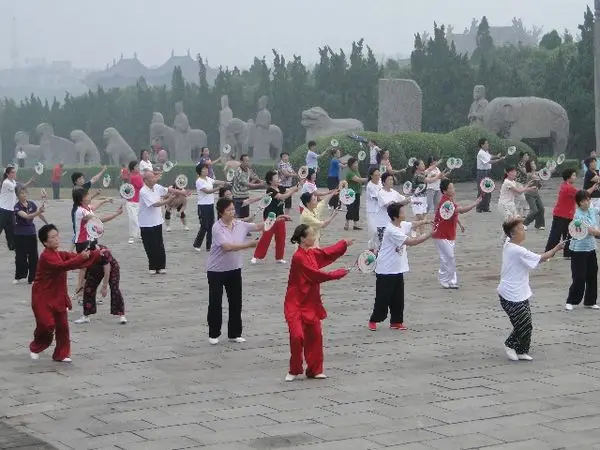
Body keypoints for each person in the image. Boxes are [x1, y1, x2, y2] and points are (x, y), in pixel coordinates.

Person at [206, 198, 287, 345]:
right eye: (228, 210)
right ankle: (214, 333)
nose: (232, 212)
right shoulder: (217, 228)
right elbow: (227, 247)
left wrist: (276, 220)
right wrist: (249, 245)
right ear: (220, 212)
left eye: (232, 209)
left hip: (235, 269)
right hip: (216, 271)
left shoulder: (239, 224)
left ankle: (234, 333)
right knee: (215, 302)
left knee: (236, 302)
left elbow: (257, 226)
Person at [284, 224, 351, 381]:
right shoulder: (298, 257)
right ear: (302, 238)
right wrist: (337, 274)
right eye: (311, 236)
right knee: (297, 336)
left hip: (311, 301)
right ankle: (294, 369)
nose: (314, 238)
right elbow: (314, 275)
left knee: (315, 336)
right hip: (295, 302)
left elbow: (327, 253)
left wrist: (344, 244)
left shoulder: (312, 253)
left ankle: (315, 369)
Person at [29, 224, 102, 362]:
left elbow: (75, 258)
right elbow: (64, 266)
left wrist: (95, 253)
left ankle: (61, 354)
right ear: (45, 242)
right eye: (52, 237)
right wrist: (82, 257)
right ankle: (37, 345)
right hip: (42, 297)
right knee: (46, 324)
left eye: (57, 235)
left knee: (63, 327)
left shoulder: (59, 254)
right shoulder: (46, 257)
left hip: (58, 295)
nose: (57, 239)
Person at [498, 218, 564, 361]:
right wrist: (556, 248)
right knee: (523, 323)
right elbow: (540, 258)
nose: (524, 231)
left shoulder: (508, 244)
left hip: (521, 292)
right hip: (509, 294)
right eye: (521, 229)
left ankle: (521, 350)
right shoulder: (516, 250)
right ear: (513, 234)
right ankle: (509, 344)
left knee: (527, 324)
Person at [369, 202, 432, 331]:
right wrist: (429, 234)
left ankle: (396, 321)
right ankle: (374, 320)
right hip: (386, 269)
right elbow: (412, 242)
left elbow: (412, 224)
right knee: (383, 298)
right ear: (395, 216)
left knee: (398, 297)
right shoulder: (392, 230)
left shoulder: (401, 224)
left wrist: (426, 221)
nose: (405, 213)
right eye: (402, 212)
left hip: (397, 268)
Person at [432, 179, 480, 289]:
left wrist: (460, 224)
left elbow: (453, 214)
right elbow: (460, 210)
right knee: (449, 257)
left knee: (447, 257)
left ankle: (450, 280)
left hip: (449, 233)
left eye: (453, 187)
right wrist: (474, 204)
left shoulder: (450, 200)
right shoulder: (445, 202)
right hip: (440, 233)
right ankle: (447, 280)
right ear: (444, 191)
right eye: (451, 188)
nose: (453, 189)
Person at [138, 171, 187, 274]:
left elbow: (168, 190)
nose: (154, 179)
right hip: (146, 223)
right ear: (146, 180)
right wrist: (169, 200)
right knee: (150, 246)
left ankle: (161, 266)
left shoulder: (156, 187)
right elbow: (155, 204)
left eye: (154, 177)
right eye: (151, 178)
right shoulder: (143, 191)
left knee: (159, 244)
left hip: (157, 221)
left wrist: (181, 192)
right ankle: (152, 267)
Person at [545, 168, 597, 259]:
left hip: (567, 215)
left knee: (569, 234)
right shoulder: (568, 188)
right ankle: (548, 253)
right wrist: (594, 187)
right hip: (561, 215)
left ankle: (567, 253)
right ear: (568, 177)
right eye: (573, 175)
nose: (575, 177)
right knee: (556, 235)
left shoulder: (565, 185)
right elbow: (583, 195)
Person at [74, 244, 127, 325]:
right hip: (95, 268)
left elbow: (107, 271)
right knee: (88, 288)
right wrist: (80, 285)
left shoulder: (103, 253)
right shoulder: (84, 255)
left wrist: (104, 286)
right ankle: (86, 316)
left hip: (111, 267)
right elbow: (83, 269)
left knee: (115, 289)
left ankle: (121, 314)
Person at [565, 190, 600, 311]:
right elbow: (590, 231)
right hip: (578, 250)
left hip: (590, 248)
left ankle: (590, 301)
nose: (587, 202)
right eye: (584, 200)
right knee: (579, 277)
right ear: (579, 203)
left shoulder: (591, 210)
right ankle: (571, 300)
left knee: (592, 274)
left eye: (588, 199)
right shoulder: (578, 215)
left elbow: (597, 212)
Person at [251, 170, 295, 264]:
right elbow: (282, 197)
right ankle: (256, 256)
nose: (278, 179)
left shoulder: (281, 187)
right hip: (270, 216)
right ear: (270, 181)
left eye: (278, 177)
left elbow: (289, 190)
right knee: (266, 237)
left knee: (281, 237)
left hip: (280, 215)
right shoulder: (270, 190)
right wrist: (292, 191)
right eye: (275, 177)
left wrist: (299, 185)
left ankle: (279, 257)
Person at [13, 186, 47, 284]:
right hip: (19, 234)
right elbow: (27, 217)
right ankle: (19, 276)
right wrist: (38, 212)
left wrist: (47, 223)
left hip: (31, 233)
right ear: (18, 196)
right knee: (20, 257)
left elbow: (40, 214)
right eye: (21, 194)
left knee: (33, 256)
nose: (23, 195)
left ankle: (33, 277)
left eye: (25, 193)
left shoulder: (31, 204)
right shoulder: (17, 207)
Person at [194, 162, 226, 251]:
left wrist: (225, 182)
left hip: (210, 205)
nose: (206, 170)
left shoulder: (208, 179)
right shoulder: (199, 181)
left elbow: (215, 181)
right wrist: (218, 188)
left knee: (211, 226)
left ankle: (209, 246)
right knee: (204, 225)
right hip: (202, 206)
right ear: (199, 171)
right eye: (204, 169)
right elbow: (207, 191)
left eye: (206, 169)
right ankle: (197, 244)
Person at [375, 173, 410, 248]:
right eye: (389, 180)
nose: (391, 181)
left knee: (394, 247)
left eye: (392, 179)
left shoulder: (394, 192)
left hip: (393, 224)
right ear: (383, 182)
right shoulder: (380, 193)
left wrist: (409, 200)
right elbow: (390, 205)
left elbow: (404, 199)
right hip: (383, 224)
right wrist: (402, 203)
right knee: (383, 247)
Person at [476, 138, 505, 213]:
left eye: (487, 143)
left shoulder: (486, 152)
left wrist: (497, 156)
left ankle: (486, 207)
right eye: (486, 143)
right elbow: (489, 161)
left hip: (488, 172)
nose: (488, 144)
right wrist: (499, 159)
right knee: (481, 190)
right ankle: (479, 207)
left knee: (489, 189)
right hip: (482, 173)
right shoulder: (481, 153)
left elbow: (490, 156)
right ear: (482, 145)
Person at [232, 154, 263, 220]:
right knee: (237, 218)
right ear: (241, 161)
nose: (247, 162)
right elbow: (247, 184)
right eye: (245, 161)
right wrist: (261, 184)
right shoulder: (239, 171)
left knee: (245, 217)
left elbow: (254, 177)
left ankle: (245, 230)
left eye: (248, 161)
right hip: (238, 198)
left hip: (245, 196)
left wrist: (262, 181)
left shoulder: (248, 169)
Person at [344, 157, 367, 231]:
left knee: (356, 208)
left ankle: (355, 225)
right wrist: (370, 178)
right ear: (351, 165)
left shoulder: (356, 171)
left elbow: (359, 181)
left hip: (357, 193)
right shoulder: (350, 173)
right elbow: (359, 180)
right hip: (351, 194)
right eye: (355, 163)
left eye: (357, 163)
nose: (357, 165)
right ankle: (346, 223)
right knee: (350, 209)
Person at [523, 160, 545, 230]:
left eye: (534, 163)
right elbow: (534, 177)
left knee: (541, 209)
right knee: (534, 210)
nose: (534, 164)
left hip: (536, 194)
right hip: (529, 194)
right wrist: (543, 174)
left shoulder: (536, 173)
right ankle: (524, 223)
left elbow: (539, 185)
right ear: (529, 166)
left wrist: (540, 182)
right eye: (532, 163)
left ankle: (539, 224)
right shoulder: (529, 174)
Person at [125, 160, 144, 244]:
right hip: (131, 201)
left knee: (138, 219)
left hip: (138, 201)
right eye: (136, 166)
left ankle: (140, 235)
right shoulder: (134, 177)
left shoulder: (137, 176)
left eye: (138, 166)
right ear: (132, 169)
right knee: (133, 219)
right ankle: (132, 236)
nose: (138, 168)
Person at [0, 166, 18, 250]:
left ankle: (12, 245)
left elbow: (18, 187)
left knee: (11, 229)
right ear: (7, 174)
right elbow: (18, 187)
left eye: (15, 172)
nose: (14, 174)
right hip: (3, 209)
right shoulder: (6, 182)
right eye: (12, 172)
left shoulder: (13, 181)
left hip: (10, 210)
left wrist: (29, 182)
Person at [365, 168, 382, 250]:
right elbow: (377, 198)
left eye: (379, 175)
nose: (378, 177)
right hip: (371, 211)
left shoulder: (381, 182)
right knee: (373, 231)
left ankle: (379, 248)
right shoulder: (370, 186)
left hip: (380, 210)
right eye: (376, 175)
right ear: (371, 176)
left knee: (380, 230)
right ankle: (371, 248)